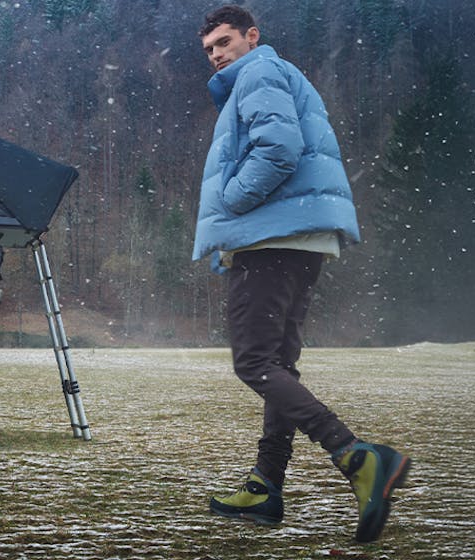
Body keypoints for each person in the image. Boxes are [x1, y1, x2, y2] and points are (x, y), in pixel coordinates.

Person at [191, 5, 411, 543]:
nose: (217, 54)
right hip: (296, 239)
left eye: (224, 42)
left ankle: (357, 456)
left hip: (273, 240)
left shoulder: (260, 72)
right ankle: (267, 483)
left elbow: (279, 150)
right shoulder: (270, 76)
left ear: (251, 36)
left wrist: (231, 202)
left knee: (254, 362)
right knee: (278, 365)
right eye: (209, 49)